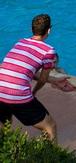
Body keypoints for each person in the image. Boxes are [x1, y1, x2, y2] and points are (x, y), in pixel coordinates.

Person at [0, 13, 62, 141]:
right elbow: (43, 79)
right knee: (50, 127)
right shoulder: (49, 51)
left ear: (31, 29)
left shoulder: (20, 42)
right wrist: (34, 92)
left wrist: (53, 80)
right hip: (18, 95)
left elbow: (22, 70)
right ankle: (50, 153)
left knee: (5, 126)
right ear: (49, 30)